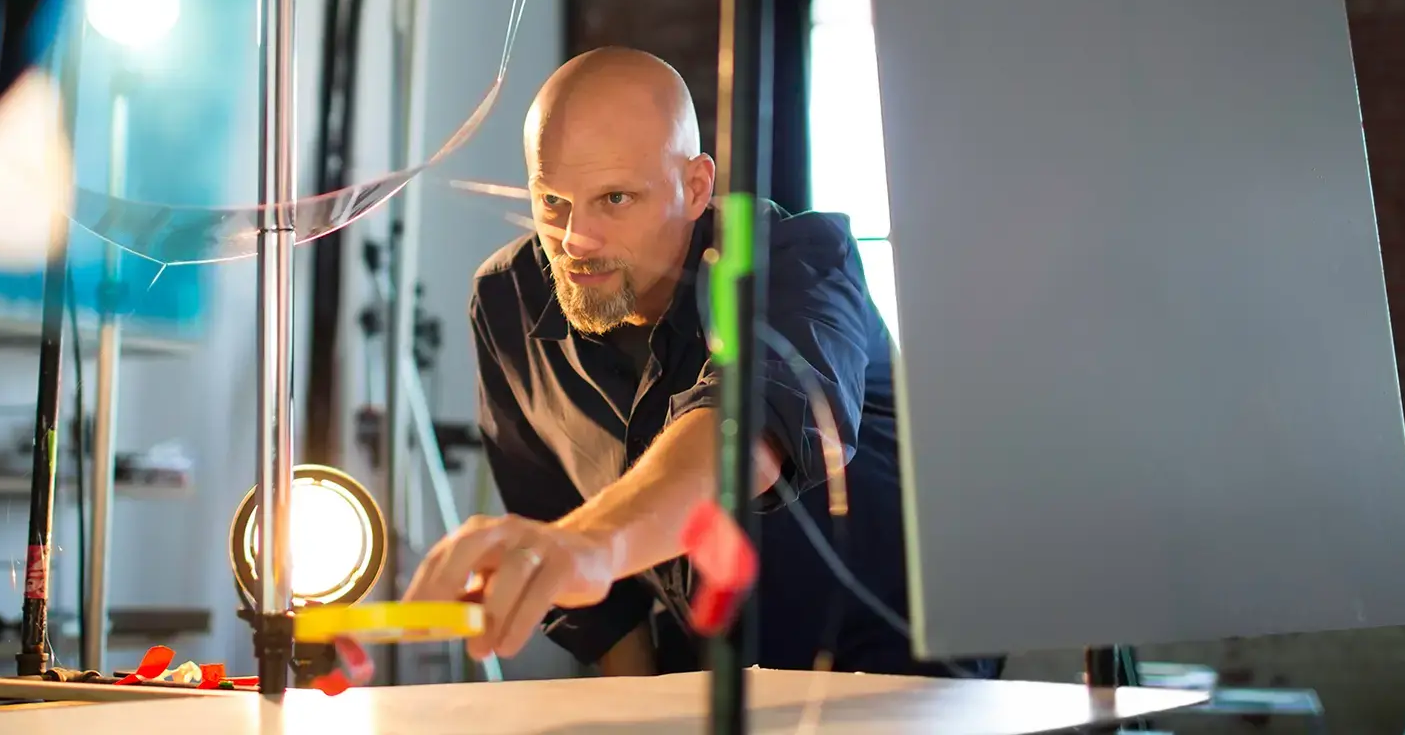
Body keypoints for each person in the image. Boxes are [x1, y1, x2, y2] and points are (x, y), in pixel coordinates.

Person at [402, 46, 1001, 679]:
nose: (575, 239)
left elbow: (743, 435)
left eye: (614, 199)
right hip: (706, 683)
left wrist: (587, 546)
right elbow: (590, 585)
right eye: (552, 202)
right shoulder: (508, 301)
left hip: (901, 681)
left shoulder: (799, 266)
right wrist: (635, 712)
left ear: (694, 188)